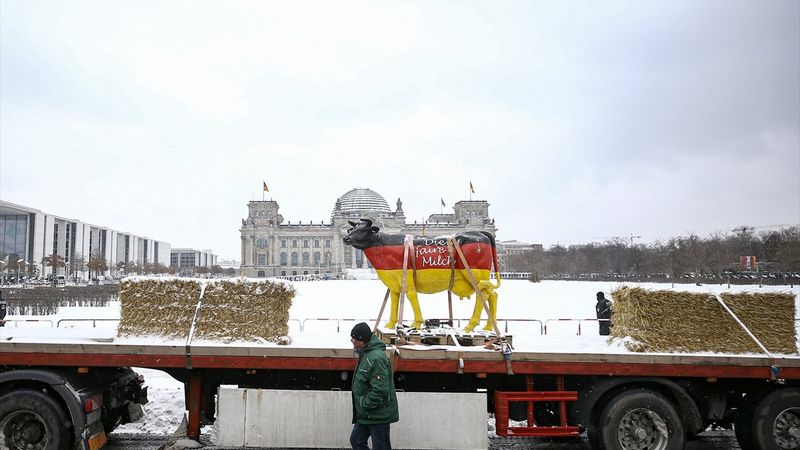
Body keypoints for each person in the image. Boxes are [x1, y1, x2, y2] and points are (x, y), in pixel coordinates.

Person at [349, 322, 399, 450]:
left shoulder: (375, 358)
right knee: (356, 441)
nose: (352, 341)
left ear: (362, 341)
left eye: (354, 339)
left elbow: (380, 388)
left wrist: (365, 404)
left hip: (377, 414)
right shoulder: (366, 354)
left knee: (380, 446)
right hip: (367, 414)